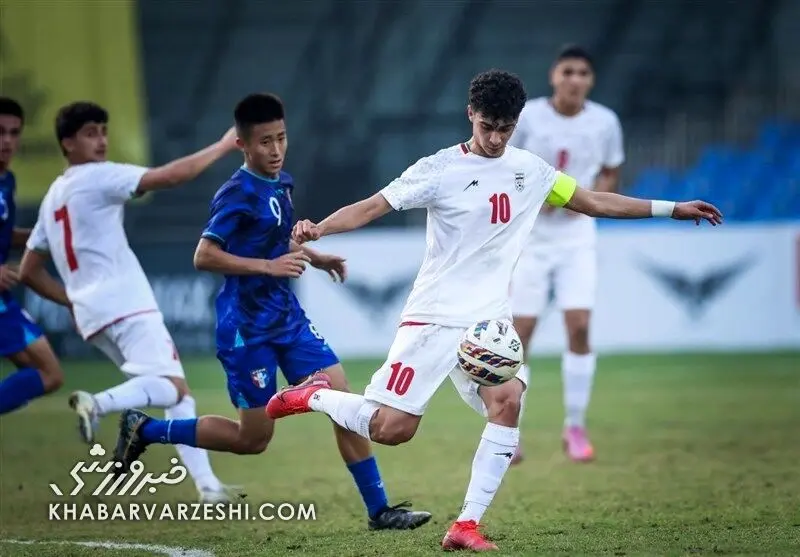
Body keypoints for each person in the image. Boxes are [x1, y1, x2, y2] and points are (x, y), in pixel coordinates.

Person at [265, 69, 722, 551]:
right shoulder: (438, 169)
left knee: (508, 401)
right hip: (432, 317)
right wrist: (322, 229)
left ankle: (466, 524)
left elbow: (591, 201)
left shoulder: (532, 170)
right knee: (393, 430)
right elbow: (374, 206)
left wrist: (671, 208)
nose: (496, 138)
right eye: (488, 126)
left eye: (506, 128)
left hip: (487, 325)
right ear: (470, 115)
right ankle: (314, 395)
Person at [111, 93, 432, 531]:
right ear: (243, 144)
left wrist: (317, 258)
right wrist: (268, 267)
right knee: (253, 439)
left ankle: (380, 510)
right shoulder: (235, 193)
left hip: (286, 316)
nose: (276, 149)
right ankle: (144, 430)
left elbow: (277, 240)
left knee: (344, 401)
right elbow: (204, 256)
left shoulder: (282, 183)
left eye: (281, 138)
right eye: (265, 142)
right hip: (245, 326)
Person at [19, 101, 236, 502]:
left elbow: (29, 270)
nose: (100, 140)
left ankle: (208, 487)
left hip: (92, 315)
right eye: (89, 133)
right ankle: (97, 404)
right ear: (67, 143)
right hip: (126, 303)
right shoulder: (98, 177)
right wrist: (222, 146)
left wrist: (72, 302)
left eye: (103, 130)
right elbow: (169, 177)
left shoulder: (53, 197)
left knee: (177, 393)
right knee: (171, 388)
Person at [508, 45, 625, 464]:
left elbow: (611, 168)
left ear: (590, 81)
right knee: (520, 335)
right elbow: (505, 165)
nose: (574, 79)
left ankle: (574, 426)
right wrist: (531, 201)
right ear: (554, 76)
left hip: (577, 236)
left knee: (579, 328)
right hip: (531, 238)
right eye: (567, 71)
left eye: (583, 73)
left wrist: (589, 200)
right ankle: (510, 430)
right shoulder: (530, 118)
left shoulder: (605, 121)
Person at [0, 97, 65, 415]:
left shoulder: (6, 181)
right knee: (48, 373)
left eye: (14, 133)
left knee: (46, 374)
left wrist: (49, 238)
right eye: (0, 132)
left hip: (3, 300)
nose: (7, 141)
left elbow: (6, 235)